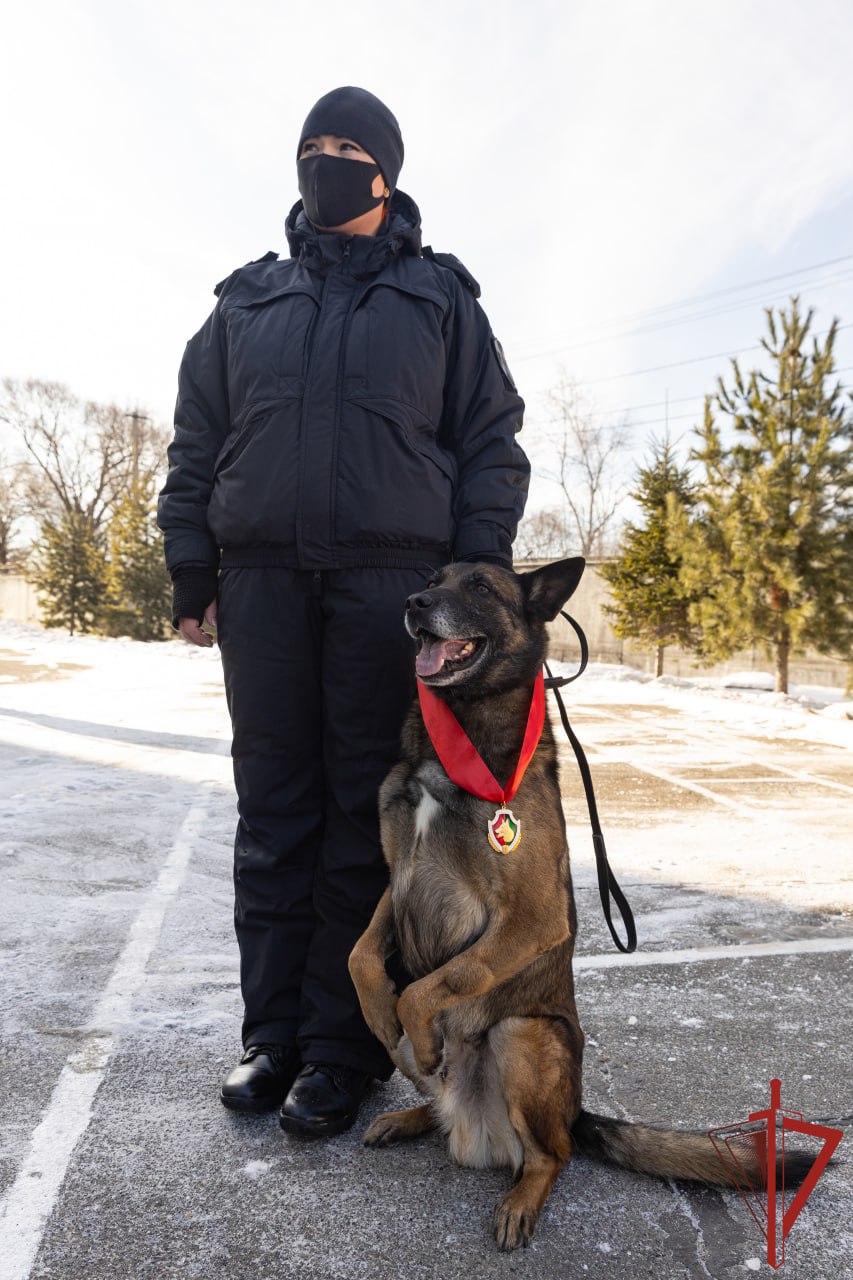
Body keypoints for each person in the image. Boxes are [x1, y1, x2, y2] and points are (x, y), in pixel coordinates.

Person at [157, 86, 530, 1138]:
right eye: (311, 146)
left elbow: (489, 444)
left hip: (391, 594)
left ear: (387, 173)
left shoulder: (440, 301)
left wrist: (476, 589)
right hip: (265, 582)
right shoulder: (245, 301)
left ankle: (339, 1047)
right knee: (272, 811)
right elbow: (195, 439)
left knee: (360, 824)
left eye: (347, 148)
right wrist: (192, 561)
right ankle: (270, 1033)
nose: (326, 161)